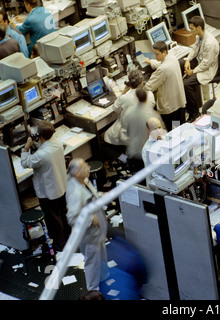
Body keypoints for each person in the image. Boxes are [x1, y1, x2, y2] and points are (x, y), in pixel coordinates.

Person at [21, 120, 70, 251]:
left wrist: (26, 147)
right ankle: (68, 237)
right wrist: (37, 142)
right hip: (61, 185)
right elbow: (45, 146)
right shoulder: (57, 143)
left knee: (53, 219)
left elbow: (25, 163)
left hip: (49, 192)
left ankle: (59, 244)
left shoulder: (41, 155)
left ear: (40, 136)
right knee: (62, 213)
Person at [66, 158, 109, 293]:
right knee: (92, 263)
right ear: (77, 173)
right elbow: (72, 218)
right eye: (85, 166)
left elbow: (92, 196)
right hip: (89, 235)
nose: (89, 167)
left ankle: (104, 280)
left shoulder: (84, 181)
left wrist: (102, 195)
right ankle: (93, 291)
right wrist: (90, 220)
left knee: (101, 259)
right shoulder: (75, 192)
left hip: (97, 232)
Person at [103, 68, 156, 159]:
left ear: (129, 83)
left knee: (104, 138)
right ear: (142, 82)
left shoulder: (124, 98)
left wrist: (124, 92)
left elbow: (115, 109)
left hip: (129, 134)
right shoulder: (150, 94)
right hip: (145, 131)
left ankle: (124, 160)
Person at [180, 16, 219, 122]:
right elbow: (194, 48)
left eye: (192, 28)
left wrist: (193, 71)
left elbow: (207, 63)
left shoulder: (209, 43)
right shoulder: (200, 37)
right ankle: (183, 104)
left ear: (199, 28)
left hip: (208, 70)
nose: (190, 30)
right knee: (181, 63)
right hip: (200, 61)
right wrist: (188, 59)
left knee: (187, 85)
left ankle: (194, 112)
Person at [144, 40, 186, 131]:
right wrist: (151, 62)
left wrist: (140, 84)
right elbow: (161, 64)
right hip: (179, 102)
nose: (155, 56)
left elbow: (149, 87)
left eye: (157, 54)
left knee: (174, 132)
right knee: (181, 129)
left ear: (165, 52)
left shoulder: (162, 70)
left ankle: (176, 144)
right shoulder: (172, 58)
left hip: (170, 108)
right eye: (154, 54)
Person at [126, 88, 162, 172]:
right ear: (146, 99)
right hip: (148, 153)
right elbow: (160, 135)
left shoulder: (129, 112)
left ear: (137, 98)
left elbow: (128, 133)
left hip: (134, 153)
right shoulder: (153, 115)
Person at [141, 116, 167, 186]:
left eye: (159, 127)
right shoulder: (146, 149)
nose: (158, 131)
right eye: (155, 129)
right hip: (156, 185)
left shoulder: (165, 138)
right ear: (149, 131)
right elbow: (152, 172)